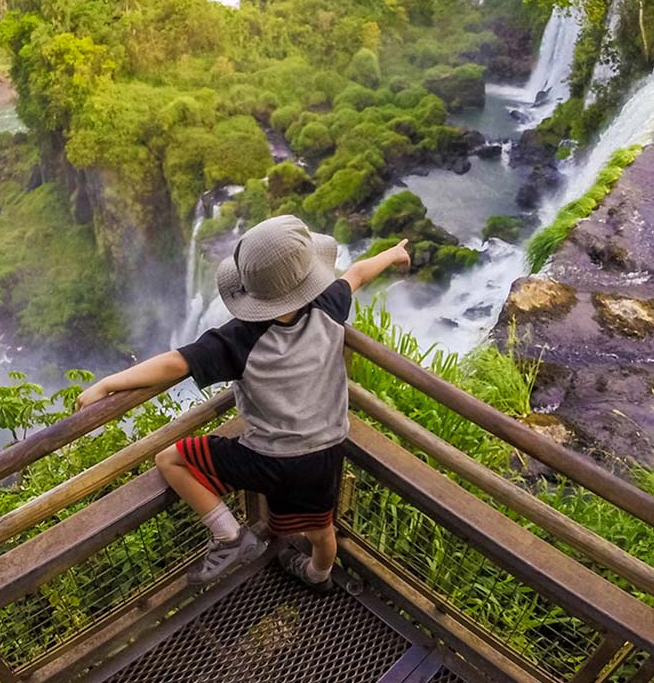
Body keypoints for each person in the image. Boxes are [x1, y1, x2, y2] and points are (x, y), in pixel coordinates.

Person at [76, 214, 411, 591]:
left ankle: (230, 536)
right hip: (325, 452)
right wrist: (393, 254)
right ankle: (318, 576)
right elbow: (360, 273)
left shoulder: (238, 339)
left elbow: (175, 364)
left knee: (170, 459)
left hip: (266, 458)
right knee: (321, 529)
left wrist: (108, 384)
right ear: (308, 278)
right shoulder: (330, 305)